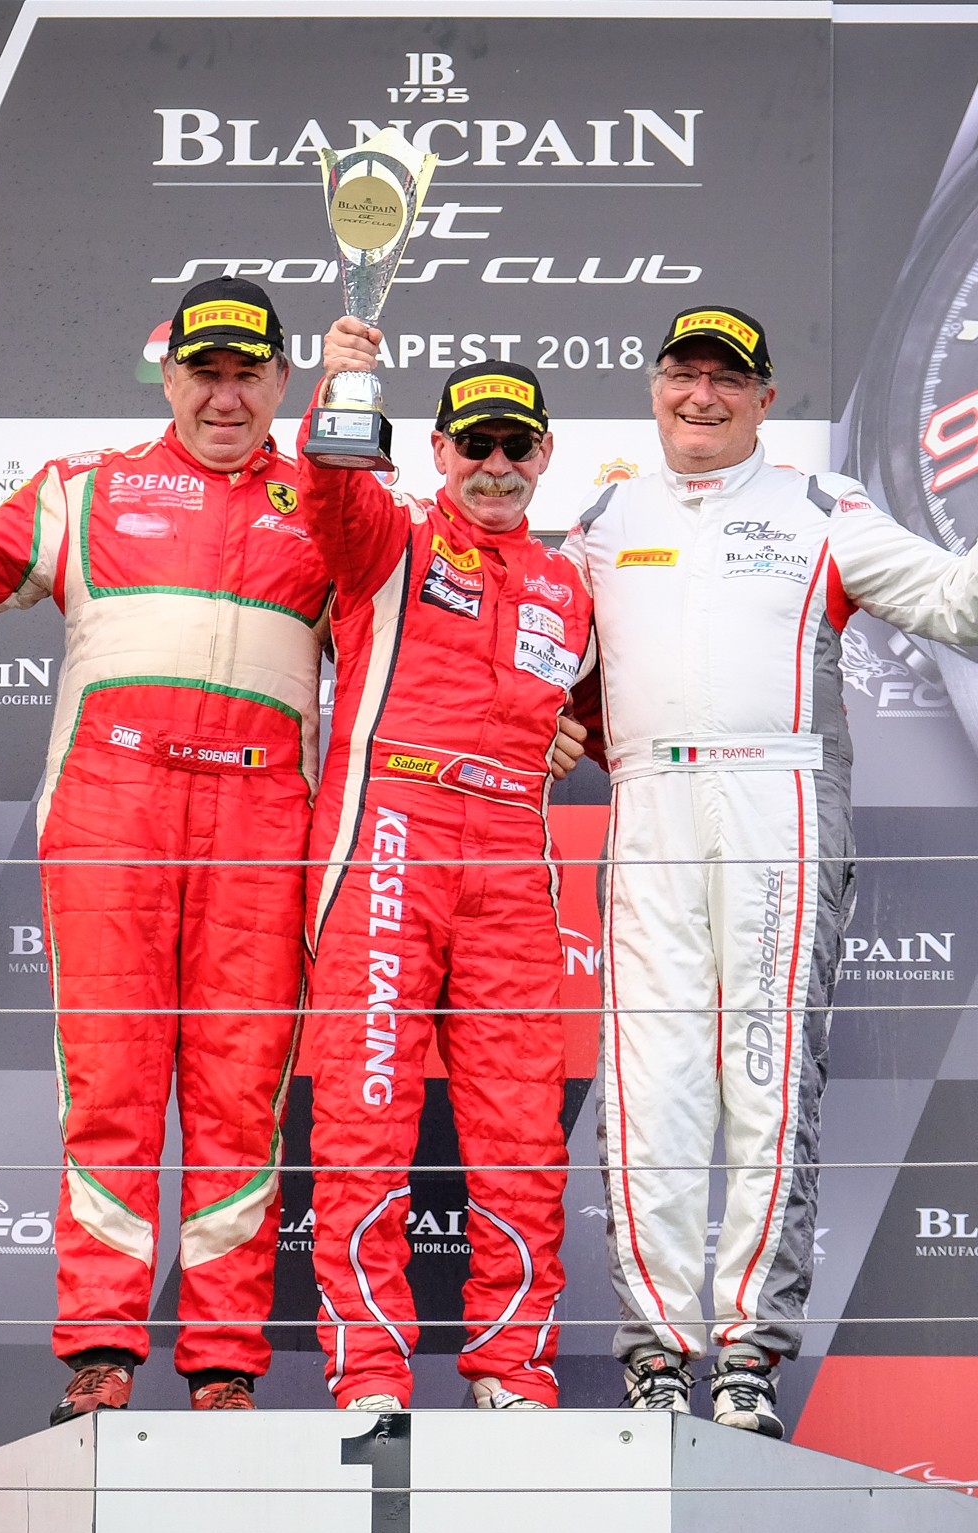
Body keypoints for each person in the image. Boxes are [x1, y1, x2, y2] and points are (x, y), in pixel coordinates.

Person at [0, 276, 325, 1419]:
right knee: (110, 1087)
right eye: (204, 373)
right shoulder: (86, 487)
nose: (225, 397)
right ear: (168, 375)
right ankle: (100, 1349)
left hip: (260, 822)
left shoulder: (324, 507)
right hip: (112, 810)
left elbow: (420, 654)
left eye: (247, 375)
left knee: (242, 1097)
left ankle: (224, 1362)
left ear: (283, 382)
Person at [566, 305, 978, 1438]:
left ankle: (749, 1353)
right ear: (655, 386)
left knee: (768, 1075)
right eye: (683, 373)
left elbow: (967, 608)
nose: (701, 396)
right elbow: (539, 669)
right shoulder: (602, 521)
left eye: (726, 379)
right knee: (649, 1085)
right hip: (648, 801)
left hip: (781, 795)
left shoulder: (820, 506)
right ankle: (655, 1352)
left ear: (765, 397)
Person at [299, 316, 595, 1411]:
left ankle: (511, 1369)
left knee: (521, 1128)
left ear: (546, 453)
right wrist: (342, 385)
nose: (496, 466)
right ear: (437, 450)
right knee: (366, 1114)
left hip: (513, 855)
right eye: (475, 444)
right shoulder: (389, 537)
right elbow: (328, 493)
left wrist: (573, 731)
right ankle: (370, 1375)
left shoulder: (570, 584)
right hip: (390, 836)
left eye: (517, 445)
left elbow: (619, 716)